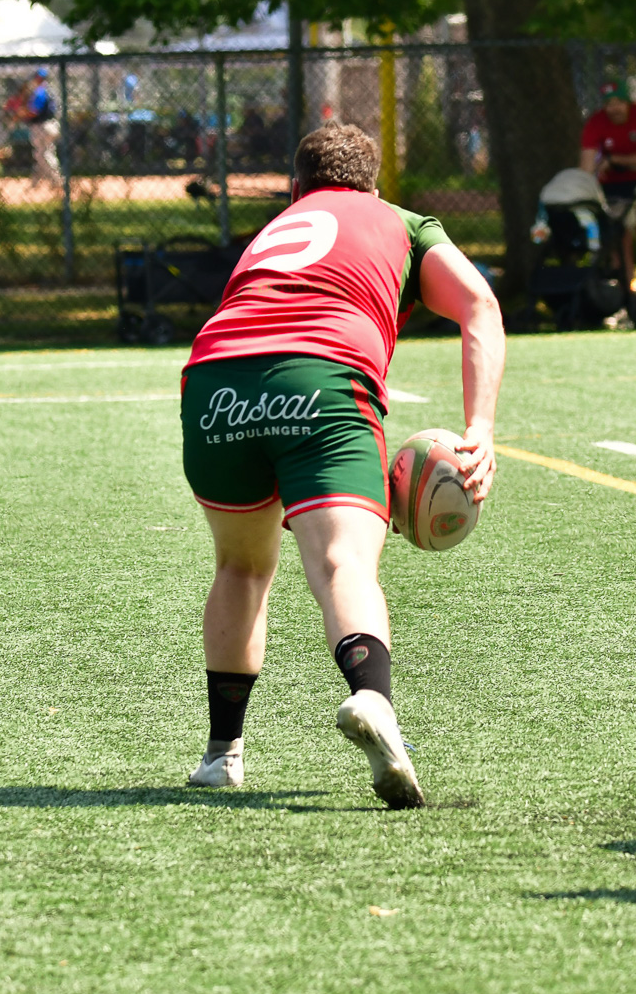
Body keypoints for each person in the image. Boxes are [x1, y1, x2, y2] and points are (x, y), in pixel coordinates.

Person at [180, 123, 505, 808]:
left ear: (297, 187)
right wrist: (479, 431)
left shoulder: (275, 229)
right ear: (374, 185)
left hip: (213, 384)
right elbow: (478, 304)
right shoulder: (402, 222)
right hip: (321, 379)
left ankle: (221, 756)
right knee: (342, 566)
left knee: (241, 567)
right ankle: (372, 700)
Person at [579, 79, 636, 329]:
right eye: (608, 103)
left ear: (627, 101)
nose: (613, 108)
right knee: (619, 244)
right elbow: (586, 167)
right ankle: (627, 303)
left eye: (618, 102)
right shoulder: (596, 122)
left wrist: (613, 160)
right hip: (611, 189)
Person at [23, 67, 60, 184]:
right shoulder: (50, 90)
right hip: (52, 124)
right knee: (43, 152)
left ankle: (56, 180)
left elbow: (34, 111)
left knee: (43, 154)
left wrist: (22, 116)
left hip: (42, 126)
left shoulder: (40, 91)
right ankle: (35, 182)